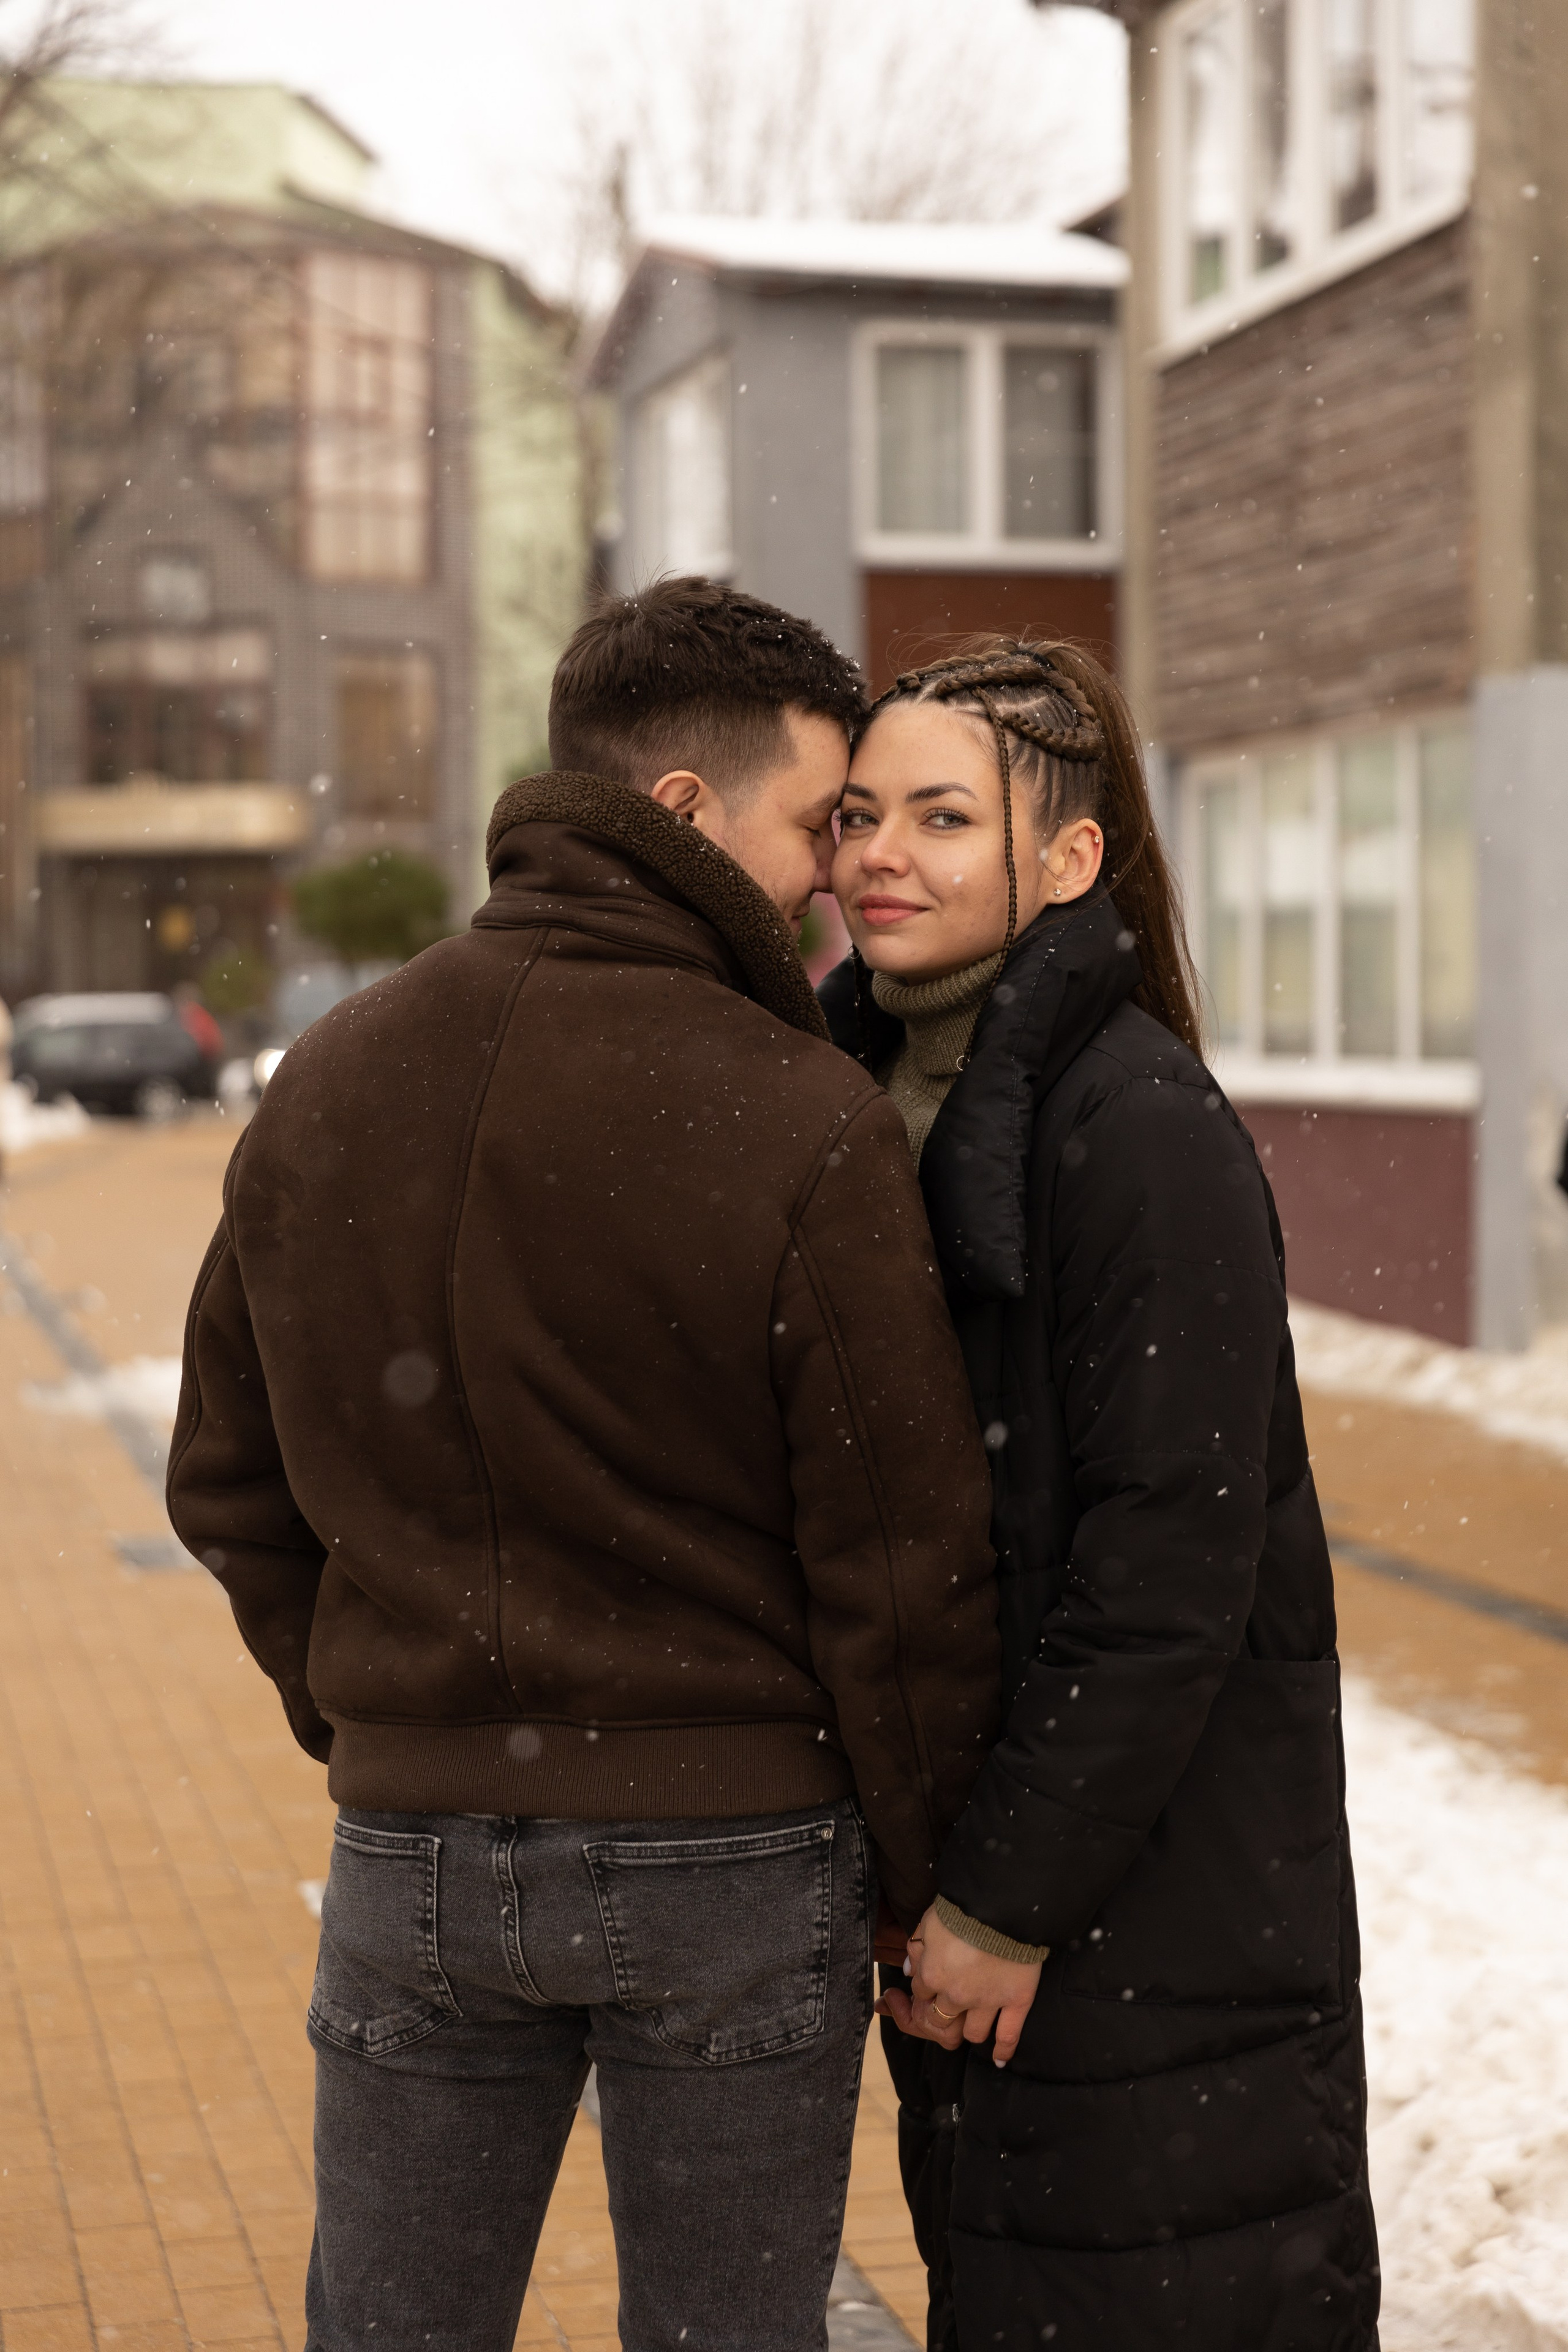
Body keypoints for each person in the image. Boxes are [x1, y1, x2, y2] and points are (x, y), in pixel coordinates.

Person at [167, 576, 1000, 2352]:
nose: (834, 876)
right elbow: (900, 1561)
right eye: (816, 821)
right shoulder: (800, 1114)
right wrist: (925, 1870)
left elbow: (227, 1480)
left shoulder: (329, 1076)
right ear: (685, 808)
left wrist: (390, 1719)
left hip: (414, 1853)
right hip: (736, 1854)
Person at [820, 638, 1379, 2351]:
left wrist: (1008, 1895)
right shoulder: (876, 1091)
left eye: (940, 818)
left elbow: (1168, 1563)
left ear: (1069, 860)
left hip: (1149, 1901)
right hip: (1005, 1882)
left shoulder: (1132, 1124)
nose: (879, 855)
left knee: (1154, 2287)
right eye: (857, 815)